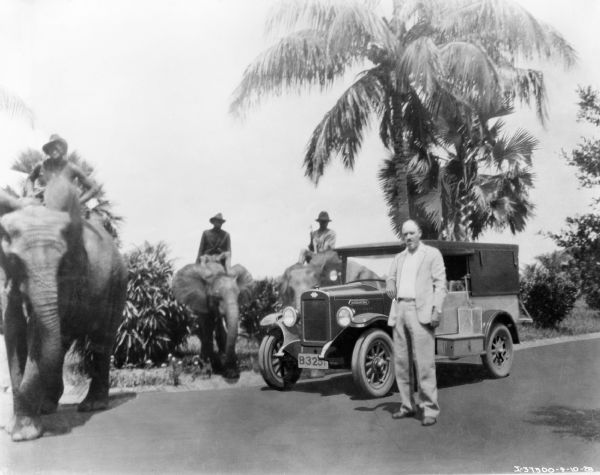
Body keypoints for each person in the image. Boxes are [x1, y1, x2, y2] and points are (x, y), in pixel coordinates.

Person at [385, 219, 446, 427]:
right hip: (399, 309)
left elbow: (440, 285)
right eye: (405, 234)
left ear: (419, 233)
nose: (408, 237)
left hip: (421, 312)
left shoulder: (432, 254)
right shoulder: (399, 257)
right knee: (401, 363)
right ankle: (407, 406)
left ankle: (430, 409)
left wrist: (436, 309)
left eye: (412, 233)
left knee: (425, 363)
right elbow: (390, 277)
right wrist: (390, 284)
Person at [25, 134, 101, 205]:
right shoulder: (41, 166)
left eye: (57, 148)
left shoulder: (72, 168)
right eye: (51, 148)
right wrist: (30, 191)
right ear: (48, 151)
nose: (54, 151)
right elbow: (30, 179)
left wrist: (78, 202)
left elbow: (94, 188)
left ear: (63, 149)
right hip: (41, 203)